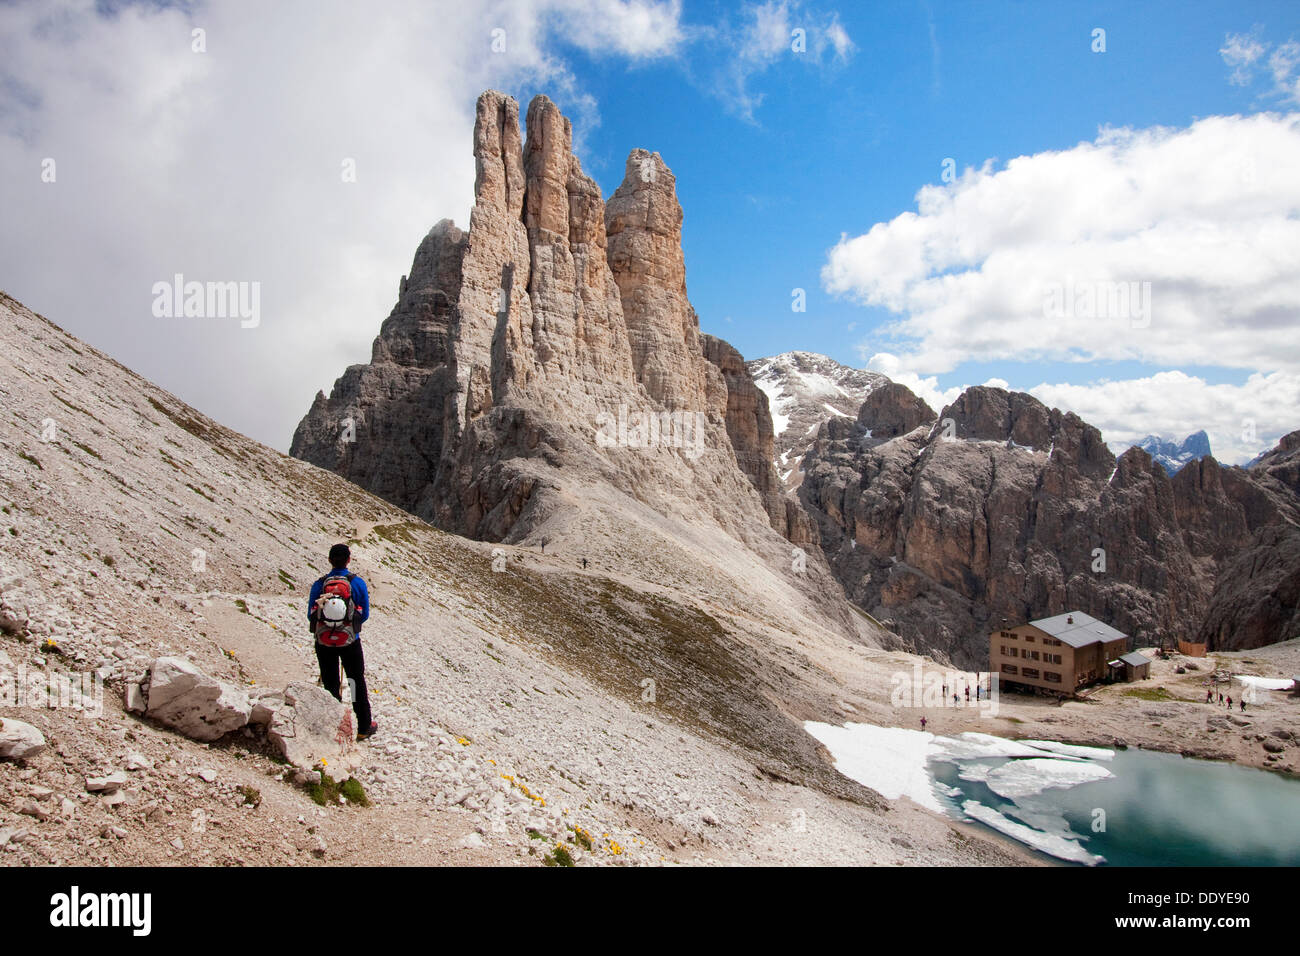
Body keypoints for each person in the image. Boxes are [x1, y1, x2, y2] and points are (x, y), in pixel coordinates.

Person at [308, 543, 377, 740]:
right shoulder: (357, 583)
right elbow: (364, 615)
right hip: (350, 642)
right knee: (355, 681)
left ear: (329, 560)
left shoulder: (319, 584)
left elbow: (311, 615)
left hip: (324, 643)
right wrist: (347, 629)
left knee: (330, 682)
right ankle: (364, 726)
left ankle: (335, 725)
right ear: (348, 560)